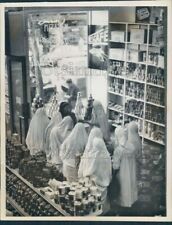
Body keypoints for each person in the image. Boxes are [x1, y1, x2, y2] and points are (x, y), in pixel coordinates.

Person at [79, 137, 112, 214]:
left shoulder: (95, 156)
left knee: (96, 199)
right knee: (103, 198)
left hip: (96, 182)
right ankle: (104, 211)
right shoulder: (107, 155)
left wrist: (85, 174)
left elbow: (89, 171)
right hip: (105, 182)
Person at [112, 121, 141, 208]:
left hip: (122, 172)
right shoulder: (131, 146)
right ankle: (131, 199)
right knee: (131, 182)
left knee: (123, 186)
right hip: (131, 169)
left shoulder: (118, 150)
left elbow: (115, 166)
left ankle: (123, 202)